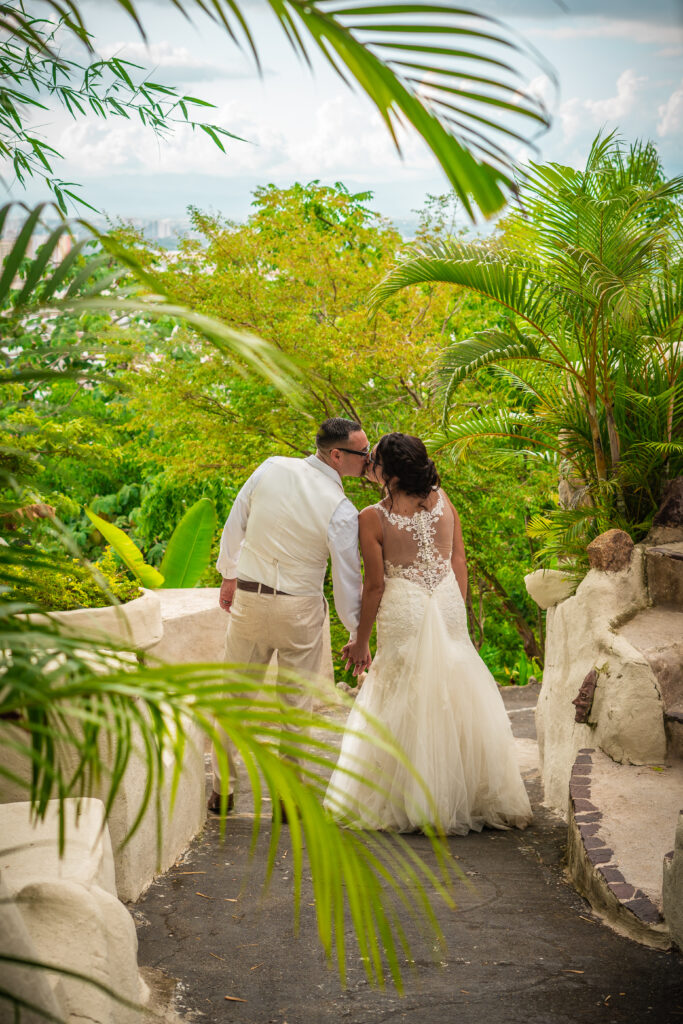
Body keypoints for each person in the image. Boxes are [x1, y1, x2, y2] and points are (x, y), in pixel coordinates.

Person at [324, 433, 532, 834]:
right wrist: (454, 604)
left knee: (404, 686)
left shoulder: (371, 517)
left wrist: (361, 640)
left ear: (391, 472)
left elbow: (374, 586)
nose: (370, 466)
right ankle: (468, 794)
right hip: (447, 599)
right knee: (455, 680)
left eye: (375, 461)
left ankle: (413, 799)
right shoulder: (442, 499)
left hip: (405, 605)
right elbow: (458, 559)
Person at [209, 417, 369, 816]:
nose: (368, 460)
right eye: (362, 453)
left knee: (232, 699)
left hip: (248, 599)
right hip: (299, 608)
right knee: (295, 706)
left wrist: (228, 575)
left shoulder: (270, 467)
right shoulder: (342, 509)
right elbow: (348, 580)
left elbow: (236, 521)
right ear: (336, 455)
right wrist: (355, 633)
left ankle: (222, 790)